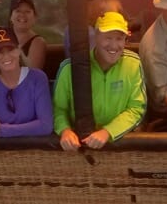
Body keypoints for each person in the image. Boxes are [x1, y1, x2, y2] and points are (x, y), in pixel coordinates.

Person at [53, 11, 146, 150]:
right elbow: (58, 109)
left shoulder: (132, 63)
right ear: (96, 37)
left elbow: (136, 109)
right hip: (78, 148)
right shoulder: (69, 68)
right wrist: (65, 130)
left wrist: (108, 132)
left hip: (120, 145)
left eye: (119, 39)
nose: (114, 45)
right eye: (108, 38)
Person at [6, 0, 47, 71]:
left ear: (35, 17)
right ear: (10, 17)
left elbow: (32, 76)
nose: (22, 15)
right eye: (18, 11)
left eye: (27, 11)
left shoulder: (38, 42)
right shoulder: (0, 33)